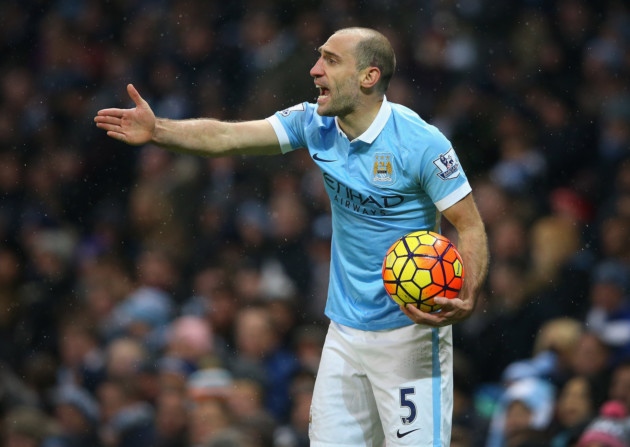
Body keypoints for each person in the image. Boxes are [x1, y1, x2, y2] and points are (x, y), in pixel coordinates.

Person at [94, 27, 489, 447]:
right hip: (345, 333)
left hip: (410, 334)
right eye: (319, 57)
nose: (315, 69)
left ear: (368, 77)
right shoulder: (313, 122)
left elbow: (470, 225)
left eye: (331, 60)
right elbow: (228, 137)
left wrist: (467, 296)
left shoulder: (422, 144)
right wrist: (159, 131)